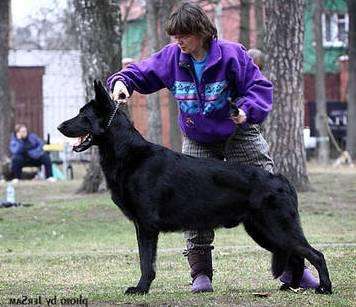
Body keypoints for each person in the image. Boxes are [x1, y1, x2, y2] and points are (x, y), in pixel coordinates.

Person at [107, 2, 317, 293]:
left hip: (240, 134)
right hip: (198, 139)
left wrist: (245, 110)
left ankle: (296, 271)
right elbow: (138, 73)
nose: (178, 41)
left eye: (184, 35)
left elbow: (259, 89)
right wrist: (121, 82)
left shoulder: (232, 55)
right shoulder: (172, 58)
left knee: (269, 198)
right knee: (190, 202)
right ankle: (200, 273)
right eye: (174, 35)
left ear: (202, 32)